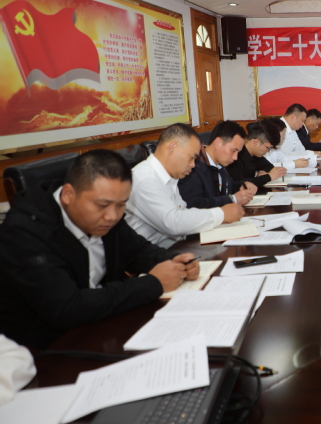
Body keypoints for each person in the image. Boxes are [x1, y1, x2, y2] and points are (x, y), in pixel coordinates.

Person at [0, 150, 199, 349]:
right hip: (46, 350)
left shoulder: (107, 217)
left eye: (121, 205)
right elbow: (67, 309)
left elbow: (138, 251)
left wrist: (176, 261)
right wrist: (153, 284)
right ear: (68, 194)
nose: (112, 216)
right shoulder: (24, 233)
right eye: (102, 205)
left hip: (103, 328)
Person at [126, 123, 244, 248]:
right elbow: (173, 223)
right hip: (150, 254)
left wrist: (218, 220)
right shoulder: (145, 178)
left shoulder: (170, 177)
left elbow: (184, 212)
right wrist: (221, 214)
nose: (193, 165)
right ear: (172, 148)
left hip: (172, 247)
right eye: (191, 157)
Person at [178, 121, 257, 208]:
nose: (235, 157)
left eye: (238, 152)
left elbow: (226, 187)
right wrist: (232, 199)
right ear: (218, 142)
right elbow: (193, 205)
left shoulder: (220, 165)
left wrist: (242, 186)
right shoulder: (192, 167)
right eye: (233, 151)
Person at [227, 118, 287, 187]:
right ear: (256, 142)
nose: (268, 151)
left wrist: (263, 171)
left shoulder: (255, 154)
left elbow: (269, 167)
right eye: (268, 148)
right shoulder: (236, 155)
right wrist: (268, 177)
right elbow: (240, 183)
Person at [267, 103, 316, 169]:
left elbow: (300, 149)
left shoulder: (292, 128)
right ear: (293, 117)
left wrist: (310, 155)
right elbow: (285, 154)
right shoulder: (277, 127)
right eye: (302, 121)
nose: (303, 124)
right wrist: (294, 164)